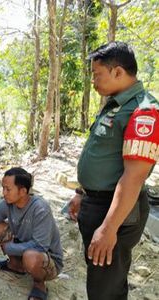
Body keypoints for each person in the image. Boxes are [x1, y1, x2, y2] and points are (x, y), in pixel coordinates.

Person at [68, 41, 158, 300]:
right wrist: (82, 192)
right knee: (103, 279)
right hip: (98, 202)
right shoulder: (117, 104)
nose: (94, 81)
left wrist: (108, 228)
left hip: (116, 210)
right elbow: (103, 157)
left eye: (97, 74)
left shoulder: (143, 111)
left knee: (105, 287)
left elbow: (134, 176)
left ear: (118, 72)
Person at [0, 167, 63, 300]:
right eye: (3, 188)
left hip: (48, 259)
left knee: (31, 256)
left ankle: (39, 284)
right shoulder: (8, 204)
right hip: (24, 249)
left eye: (8, 189)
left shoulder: (40, 209)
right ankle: (15, 266)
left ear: (23, 191)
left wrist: (10, 248)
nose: (4, 193)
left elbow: (40, 246)